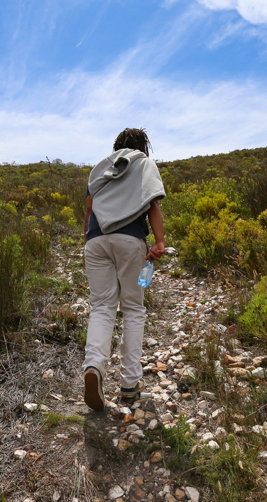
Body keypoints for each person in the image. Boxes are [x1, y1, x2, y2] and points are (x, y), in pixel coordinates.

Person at [82, 128, 166, 411]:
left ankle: (94, 366)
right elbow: (153, 205)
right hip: (130, 240)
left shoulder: (100, 168)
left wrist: (86, 246)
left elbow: (89, 210)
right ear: (143, 146)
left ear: (116, 146)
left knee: (101, 306)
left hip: (95, 242)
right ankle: (130, 383)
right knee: (132, 308)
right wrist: (160, 242)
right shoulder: (144, 163)